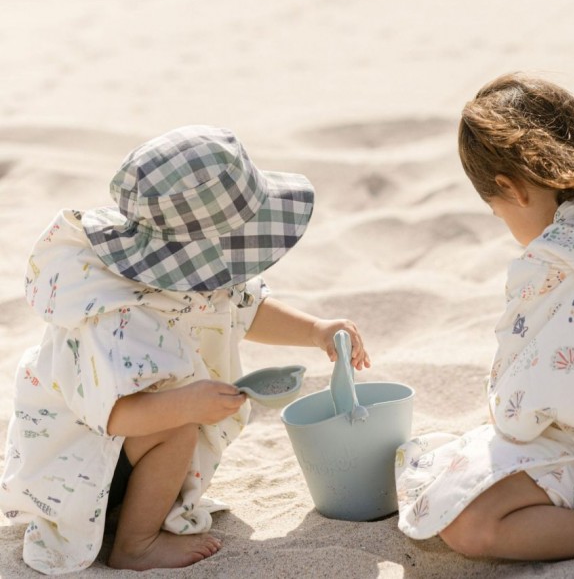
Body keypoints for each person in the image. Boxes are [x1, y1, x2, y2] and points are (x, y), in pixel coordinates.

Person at [0, 125, 371, 574]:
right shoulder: (117, 315)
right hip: (84, 459)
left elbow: (245, 308)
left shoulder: (199, 279)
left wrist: (315, 330)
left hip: (124, 446)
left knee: (178, 422)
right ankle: (135, 545)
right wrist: (186, 403)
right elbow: (114, 414)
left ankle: (148, 500)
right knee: (175, 427)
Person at [395, 73, 574, 561]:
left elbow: (516, 416)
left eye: (497, 212)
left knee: (469, 521)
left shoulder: (547, 265)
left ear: (512, 189)